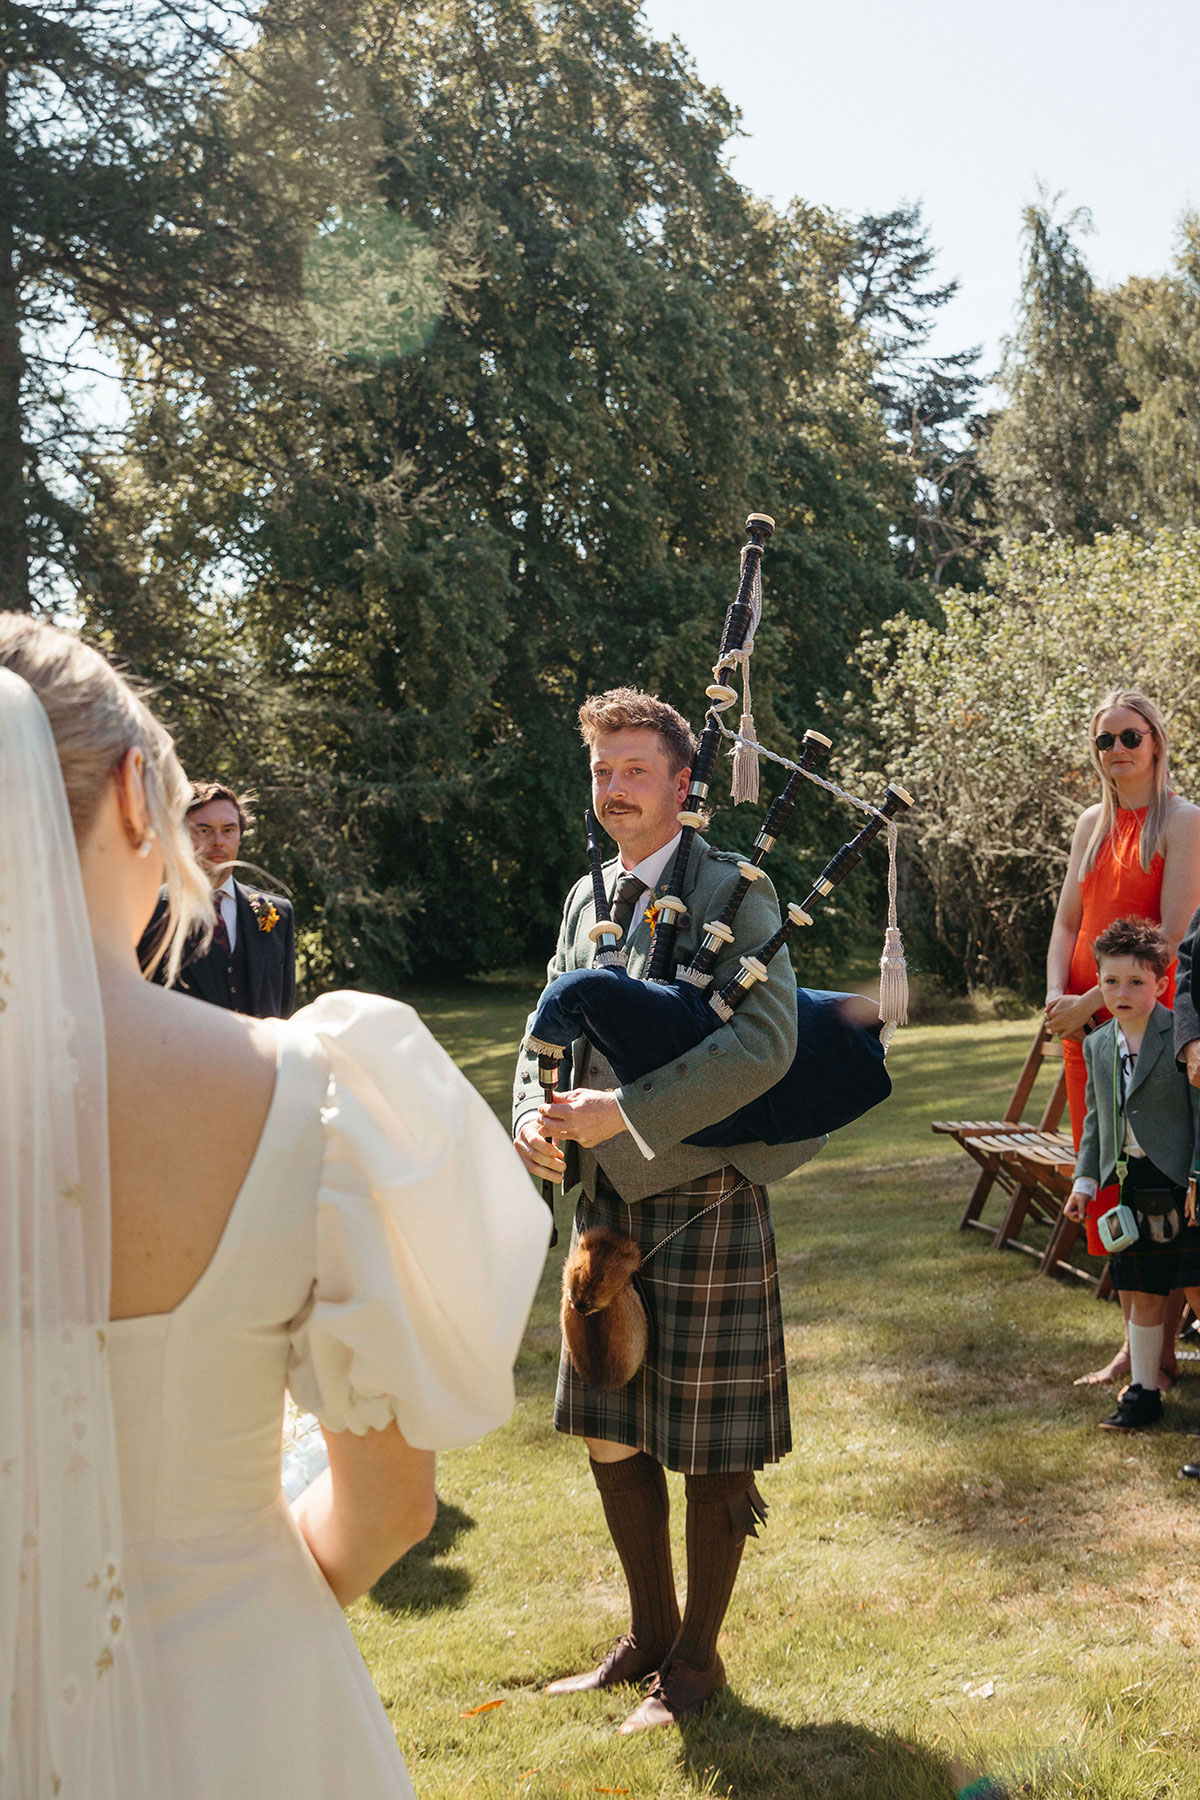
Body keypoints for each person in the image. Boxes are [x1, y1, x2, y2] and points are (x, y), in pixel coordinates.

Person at [0, 613, 550, 1800]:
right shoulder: (304, 1091)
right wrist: (229, 1590)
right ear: (136, 796)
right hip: (239, 1706)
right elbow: (391, 1511)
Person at [512, 687, 823, 1732]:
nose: (614, 788)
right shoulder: (585, 894)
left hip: (704, 1195)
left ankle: (695, 1665)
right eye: (602, 770)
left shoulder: (736, 890)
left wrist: (628, 1113)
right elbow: (544, 1027)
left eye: (635, 770)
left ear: (684, 783)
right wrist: (530, 1115)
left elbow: (765, 1043)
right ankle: (648, 1634)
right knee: (610, 1425)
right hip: (604, 1207)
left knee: (711, 1442)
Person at [1044, 691, 1200, 1387]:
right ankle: (1141, 1353)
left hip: (1147, 1032)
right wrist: (1057, 997)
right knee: (1110, 1182)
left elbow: (1173, 937)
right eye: (1104, 740)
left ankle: (1154, 1357)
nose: (1117, 750)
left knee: (1154, 1185)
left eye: (1130, 736)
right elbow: (1066, 923)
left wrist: (1091, 1001)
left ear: (1157, 741)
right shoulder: (1090, 823)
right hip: (1088, 1037)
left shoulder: (1184, 822)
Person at [1063, 919, 1200, 1430]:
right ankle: (1143, 1393)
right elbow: (1096, 1122)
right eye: (1111, 982)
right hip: (1129, 1186)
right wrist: (1084, 1183)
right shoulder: (1098, 1044)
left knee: (1196, 1287)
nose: (1122, 993)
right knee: (1142, 1292)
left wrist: (1198, 1176)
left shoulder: (1183, 1036)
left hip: (1183, 1184)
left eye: (1136, 982)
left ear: (1162, 985)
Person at [139, 781, 296, 1017]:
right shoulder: (149, 911)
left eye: (228, 830)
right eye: (204, 830)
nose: (218, 841)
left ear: (240, 834)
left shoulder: (279, 914)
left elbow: (282, 1009)